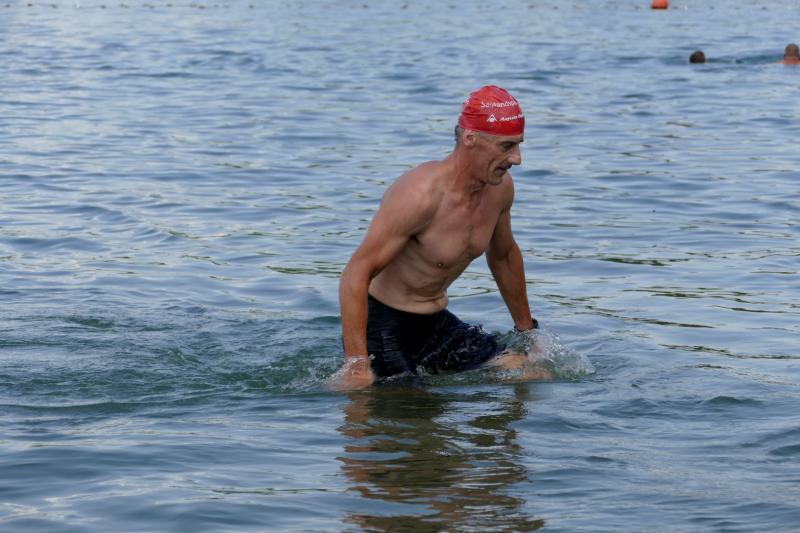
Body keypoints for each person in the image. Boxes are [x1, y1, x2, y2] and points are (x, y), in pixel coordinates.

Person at [331, 85, 542, 390]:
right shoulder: (419, 196)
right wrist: (357, 365)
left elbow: (503, 257)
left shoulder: (500, 189)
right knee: (411, 409)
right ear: (470, 139)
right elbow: (355, 274)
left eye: (519, 145)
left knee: (531, 373)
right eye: (506, 146)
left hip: (436, 323)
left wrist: (527, 332)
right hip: (384, 327)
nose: (517, 159)